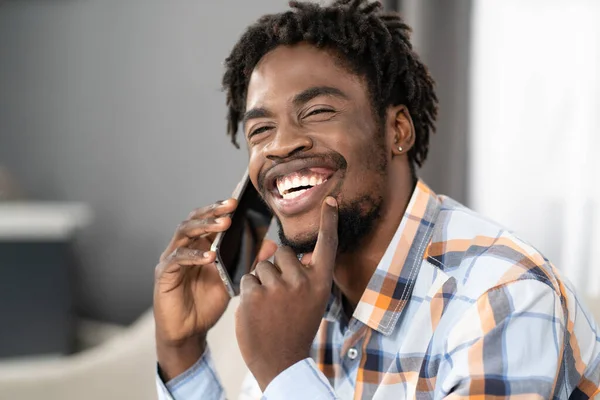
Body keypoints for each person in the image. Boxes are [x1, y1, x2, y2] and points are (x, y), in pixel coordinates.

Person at [153, 0, 600, 398]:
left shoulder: (501, 298)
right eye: (260, 131)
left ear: (397, 130)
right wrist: (181, 352)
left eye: (317, 111)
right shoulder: (296, 300)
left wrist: (286, 370)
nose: (279, 145)